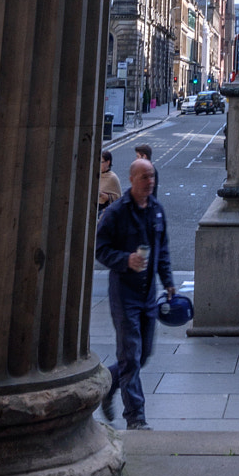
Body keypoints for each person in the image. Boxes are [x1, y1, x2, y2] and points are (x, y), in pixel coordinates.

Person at [95, 155, 173, 431]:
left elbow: (161, 250)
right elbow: (100, 249)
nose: (150, 182)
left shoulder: (156, 210)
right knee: (130, 355)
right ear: (131, 180)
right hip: (124, 294)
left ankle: (109, 384)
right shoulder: (116, 212)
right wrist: (124, 259)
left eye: (152, 176)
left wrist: (169, 281)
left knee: (143, 354)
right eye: (144, 177)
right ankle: (136, 418)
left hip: (148, 295)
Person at [97, 148, 121, 213]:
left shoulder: (112, 178)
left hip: (105, 211)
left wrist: (106, 197)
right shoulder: (96, 175)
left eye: (101, 162)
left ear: (108, 162)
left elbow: (118, 198)